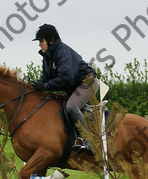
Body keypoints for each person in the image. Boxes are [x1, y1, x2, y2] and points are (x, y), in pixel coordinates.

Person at [31, 24, 100, 154]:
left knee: (70, 107)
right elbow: (45, 77)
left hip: (87, 83)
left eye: (41, 41)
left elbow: (65, 78)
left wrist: (45, 86)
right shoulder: (48, 56)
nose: (39, 45)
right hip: (74, 87)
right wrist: (36, 86)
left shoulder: (63, 51)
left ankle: (89, 142)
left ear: (51, 40)